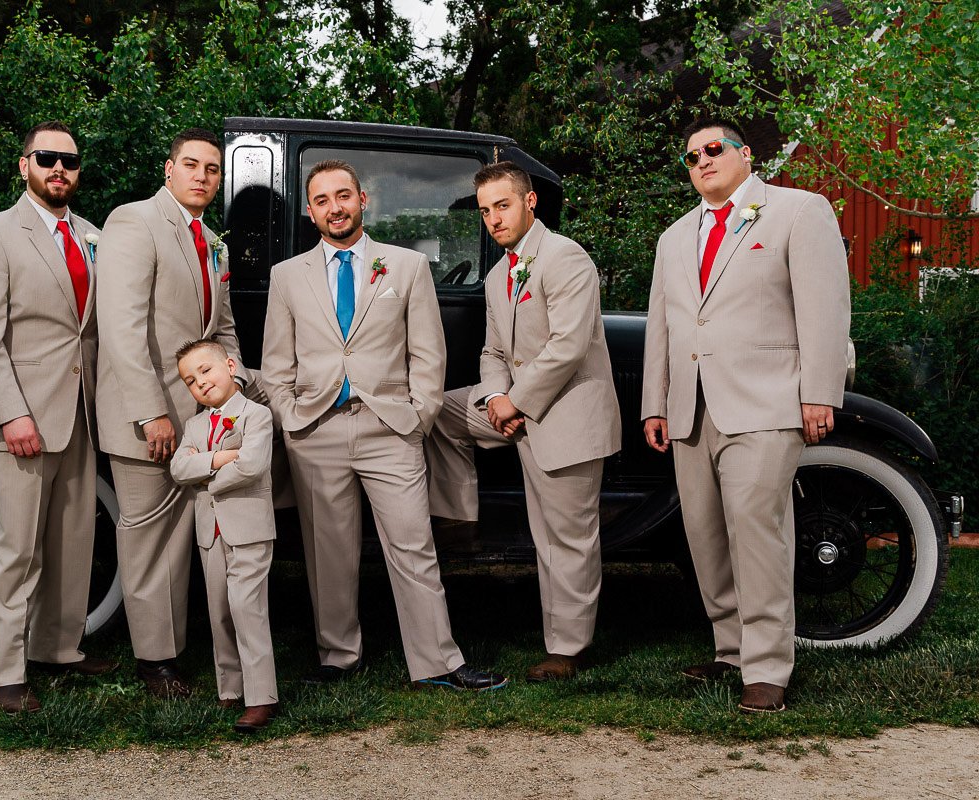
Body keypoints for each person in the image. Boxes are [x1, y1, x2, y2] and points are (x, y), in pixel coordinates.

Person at [261, 159, 506, 692]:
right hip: (315, 431)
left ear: (362, 200)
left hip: (390, 428)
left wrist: (417, 418)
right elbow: (277, 365)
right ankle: (338, 656)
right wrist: (290, 418)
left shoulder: (405, 266)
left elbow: (428, 354)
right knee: (328, 553)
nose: (335, 208)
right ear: (311, 212)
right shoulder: (288, 276)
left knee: (414, 547)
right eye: (322, 200)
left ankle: (437, 660)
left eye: (343, 196)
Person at [642, 117, 851, 713]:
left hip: (765, 400)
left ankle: (766, 668)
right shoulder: (674, 237)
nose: (702, 161)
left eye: (713, 149)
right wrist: (655, 402)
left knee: (756, 530)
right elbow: (664, 325)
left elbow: (825, 309)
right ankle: (730, 650)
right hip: (691, 407)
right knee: (705, 535)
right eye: (691, 157)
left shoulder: (798, 211)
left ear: (746, 154)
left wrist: (820, 392)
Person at [425, 161, 621, 682]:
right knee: (439, 409)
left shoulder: (565, 257)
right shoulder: (498, 275)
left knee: (565, 539)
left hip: (567, 415)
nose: (493, 218)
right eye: (485, 210)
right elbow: (493, 350)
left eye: (502, 205)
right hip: (516, 409)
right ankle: (458, 518)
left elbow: (568, 346)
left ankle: (568, 650)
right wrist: (494, 396)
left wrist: (516, 401)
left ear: (529, 202)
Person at [0, 120, 115, 714]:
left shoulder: (94, 236)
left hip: (81, 414)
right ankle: (6, 673)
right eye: (46, 158)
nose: (59, 169)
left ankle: (58, 649)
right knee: (17, 550)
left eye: (69, 161)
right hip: (21, 418)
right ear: (24, 165)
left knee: (74, 542)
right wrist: (11, 414)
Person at [96, 128, 252, 698]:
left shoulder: (212, 241)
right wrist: (149, 413)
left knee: (190, 539)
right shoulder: (134, 222)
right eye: (191, 165)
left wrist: (235, 387)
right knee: (150, 540)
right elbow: (121, 326)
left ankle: (189, 650)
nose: (202, 176)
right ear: (169, 169)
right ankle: (155, 663)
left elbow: (222, 328)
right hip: (150, 418)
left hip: (202, 418)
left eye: (212, 169)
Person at [169, 339, 279, 733]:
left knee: (246, 608)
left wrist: (206, 478)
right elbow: (178, 469)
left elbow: (251, 466)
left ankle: (261, 697)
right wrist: (219, 458)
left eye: (206, 370)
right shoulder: (195, 425)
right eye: (190, 380)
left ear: (230, 367)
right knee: (219, 610)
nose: (200, 382)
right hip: (210, 532)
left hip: (248, 528)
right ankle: (230, 688)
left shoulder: (257, 415)